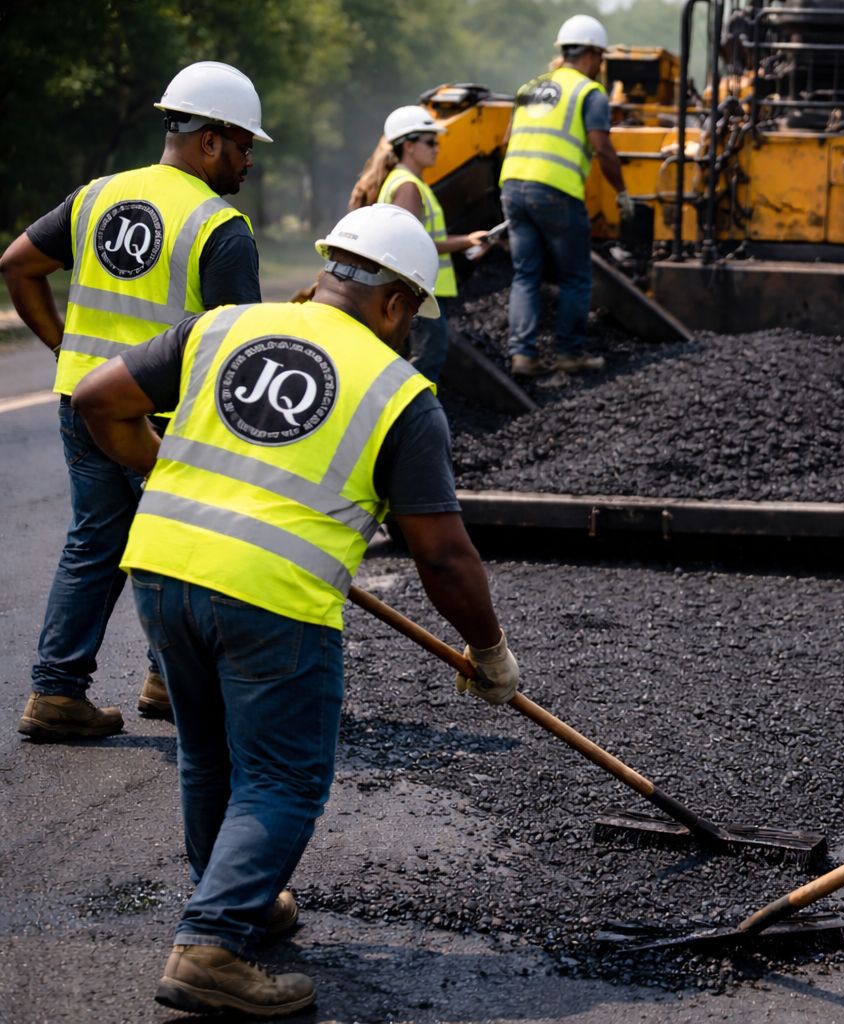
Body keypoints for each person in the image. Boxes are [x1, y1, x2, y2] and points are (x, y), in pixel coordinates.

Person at [71, 203, 522, 1016]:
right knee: (282, 776)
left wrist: (167, 468)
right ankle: (212, 942)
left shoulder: (220, 328)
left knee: (210, 755)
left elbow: (98, 400)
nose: (406, 329)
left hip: (163, 570)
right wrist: (488, 651)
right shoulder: (399, 391)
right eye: (411, 314)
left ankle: (236, 898)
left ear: (326, 272)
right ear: (395, 303)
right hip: (272, 600)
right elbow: (443, 554)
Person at [0, 61, 269, 739]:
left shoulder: (96, 195)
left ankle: (57, 693)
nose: (246, 164)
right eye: (242, 147)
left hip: (83, 404)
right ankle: (170, 683)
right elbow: (241, 352)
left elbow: (17, 264)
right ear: (209, 140)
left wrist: (68, 350)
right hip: (164, 419)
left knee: (95, 542)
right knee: (181, 547)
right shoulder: (219, 227)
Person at [499, 14, 634, 377]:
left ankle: (522, 355)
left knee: (526, 274)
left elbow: (506, 140)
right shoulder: (590, 93)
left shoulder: (531, 86)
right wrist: (621, 192)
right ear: (591, 54)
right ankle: (568, 353)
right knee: (576, 276)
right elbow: (602, 147)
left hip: (512, 186)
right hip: (556, 192)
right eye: (600, 58)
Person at [368, 104, 488, 382]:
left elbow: (424, 239)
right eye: (430, 142)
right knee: (428, 359)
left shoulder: (405, 182)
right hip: (418, 290)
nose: (437, 148)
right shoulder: (408, 186)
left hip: (418, 290)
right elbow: (410, 247)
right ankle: (411, 419)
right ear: (409, 146)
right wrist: (463, 243)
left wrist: (467, 241)